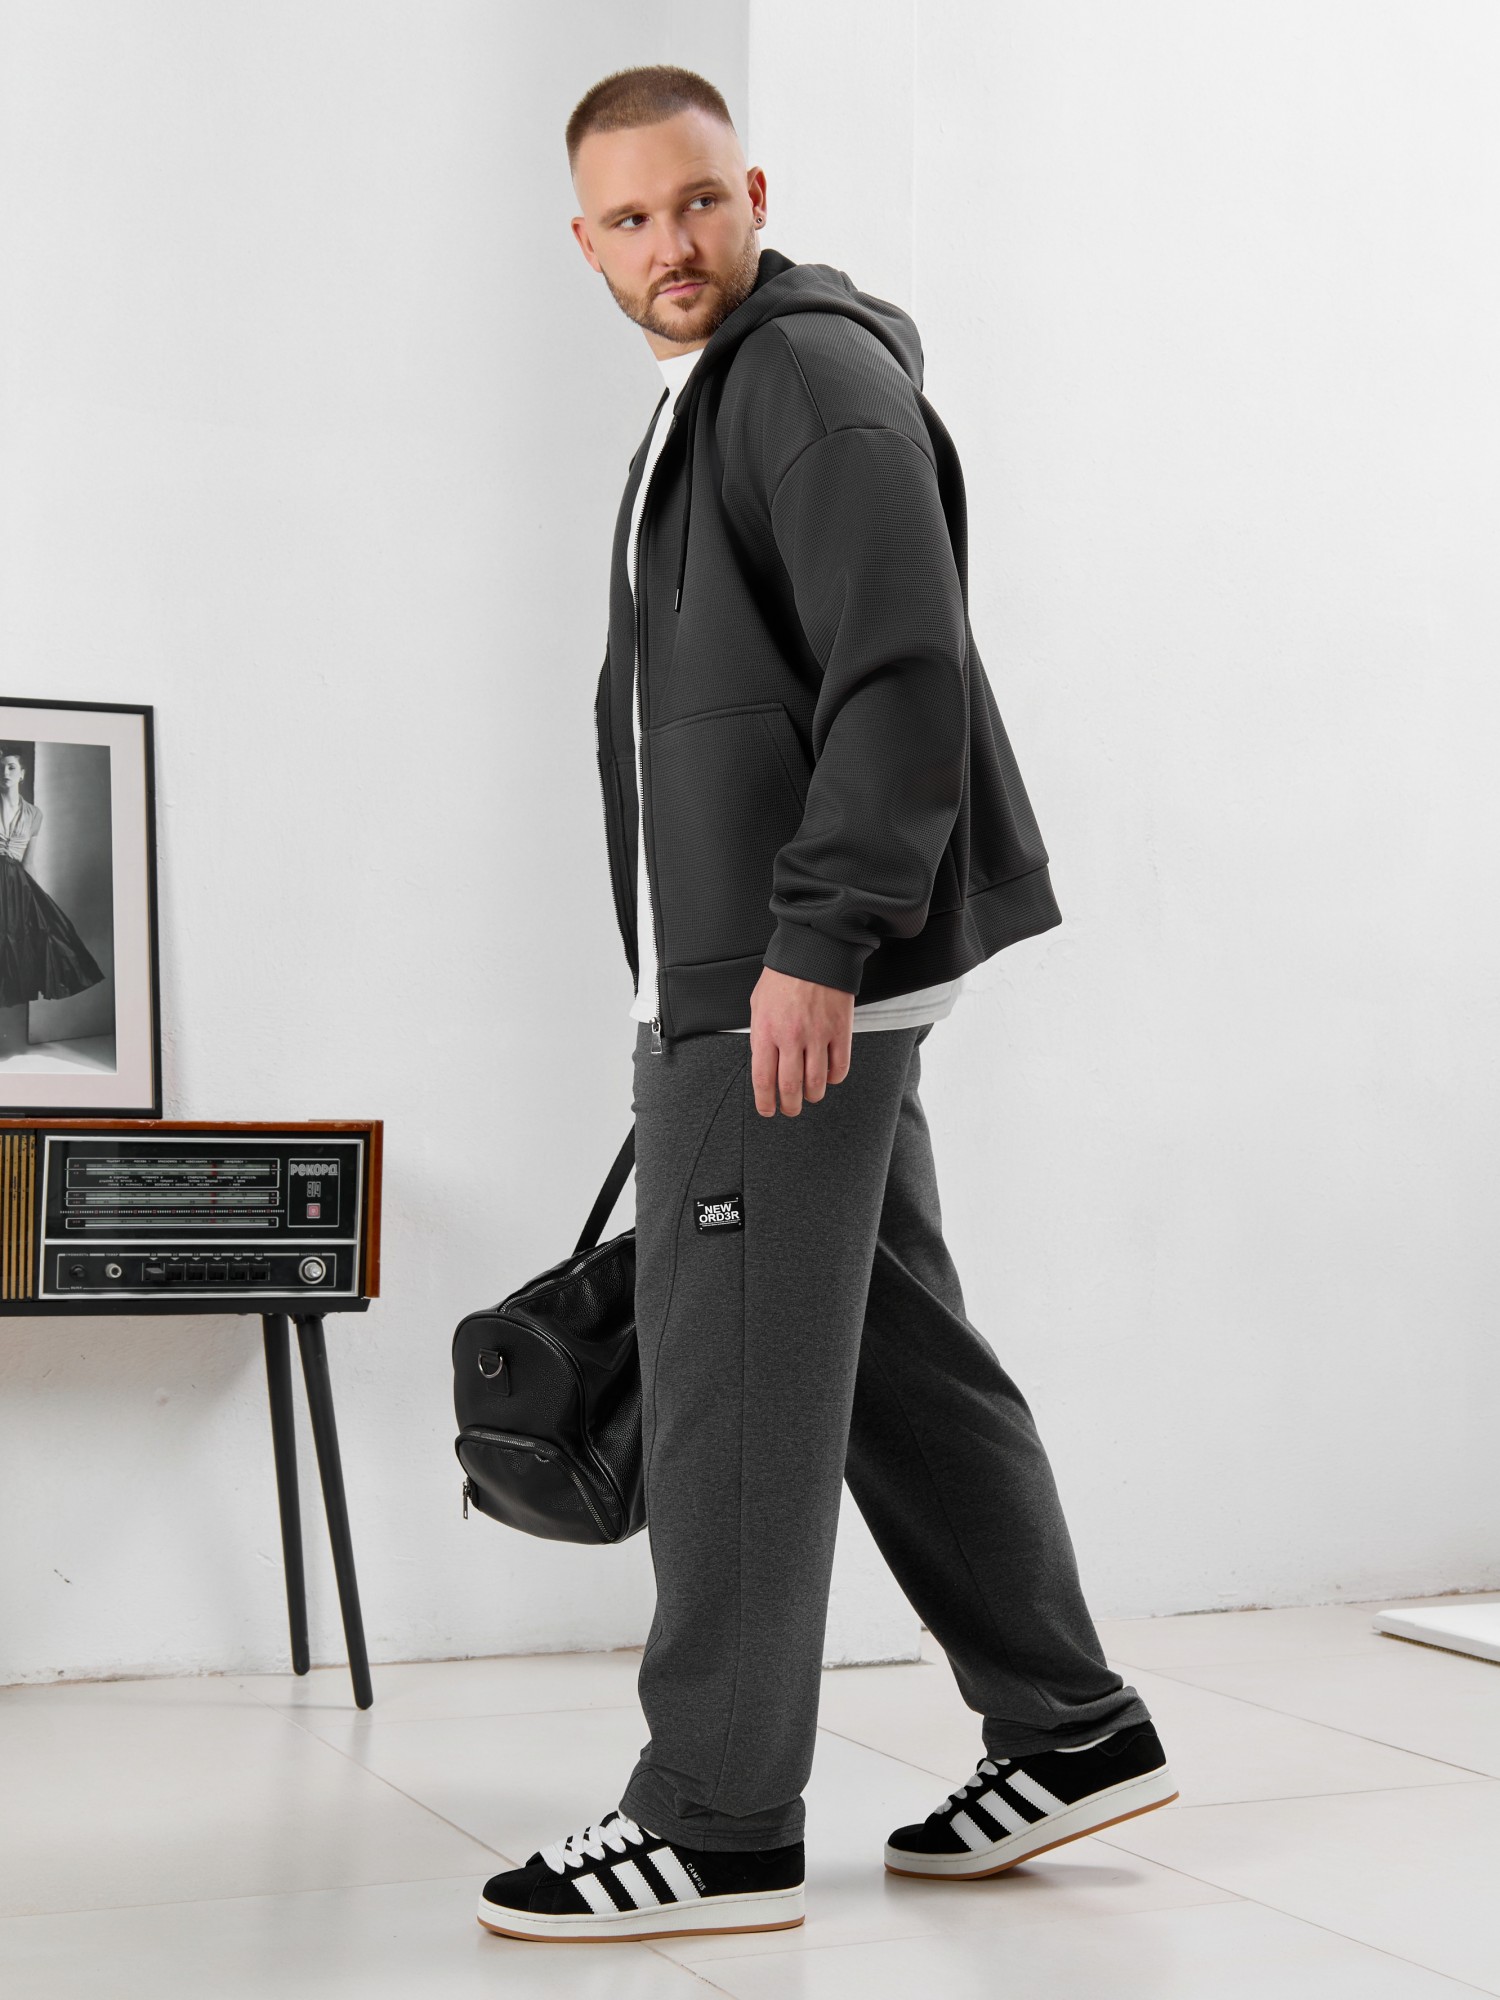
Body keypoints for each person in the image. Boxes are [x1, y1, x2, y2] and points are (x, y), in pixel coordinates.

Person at [477, 65, 1177, 1946]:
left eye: (699, 201)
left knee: (728, 1381)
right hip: (755, 960)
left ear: (755, 192)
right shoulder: (713, 393)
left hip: (782, 976)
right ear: (584, 241)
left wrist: (817, 938)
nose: (672, 242)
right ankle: (1074, 1723)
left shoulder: (804, 376)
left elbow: (901, 666)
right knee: (879, 1351)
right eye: (633, 218)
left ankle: (715, 1816)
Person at [0, 746, 106, 1055]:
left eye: (11, 767)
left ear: (22, 773)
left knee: (24, 946)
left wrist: (38, 898)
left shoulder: (34, 814)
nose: (4, 772)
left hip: (16, 886)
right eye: (1, 767)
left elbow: (28, 861)